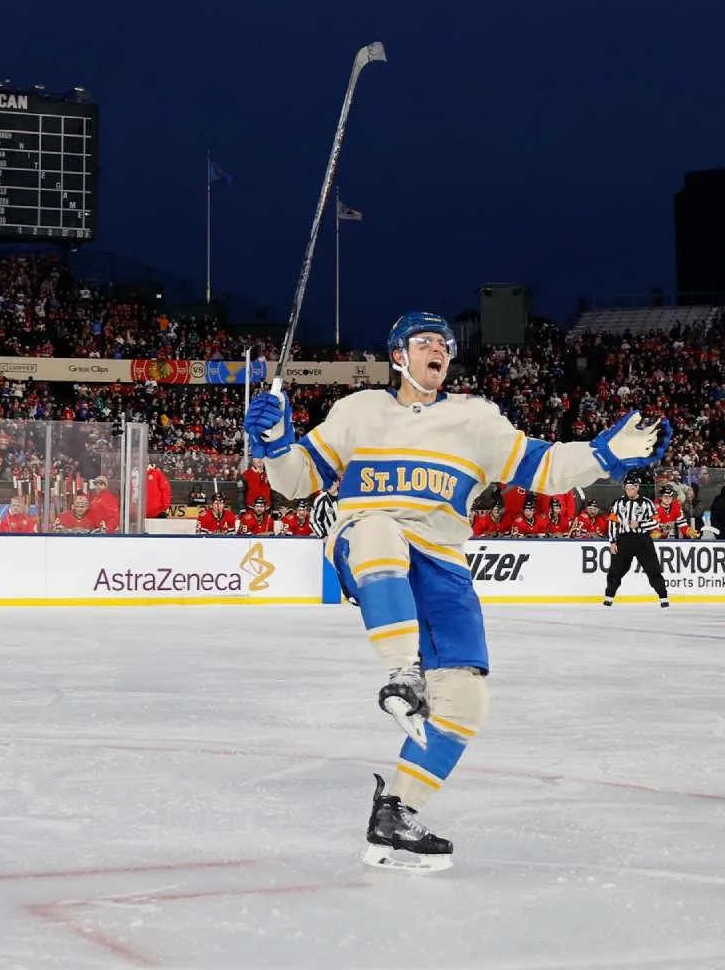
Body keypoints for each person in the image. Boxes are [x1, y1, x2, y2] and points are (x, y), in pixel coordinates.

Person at [244, 310, 670, 873]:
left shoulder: (476, 419)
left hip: (442, 562)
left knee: (466, 701)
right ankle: (402, 672)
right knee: (377, 531)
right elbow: (295, 481)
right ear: (398, 355)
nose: (437, 350)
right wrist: (274, 442)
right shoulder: (358, 412)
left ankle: (396, 814)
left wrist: (602, 455)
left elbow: (541, 466)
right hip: (370, 541)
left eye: (443, 344)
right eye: (424, 343)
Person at [604, 472, 668, 608]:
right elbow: (612, 522)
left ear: (637, 488)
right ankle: (609, 596)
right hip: (623, 540)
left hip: (642, 540)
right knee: (616, 570)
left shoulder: (646, 503)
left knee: (653, 568)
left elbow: (656, 522)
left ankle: (663, 596)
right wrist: (612, 541)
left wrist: (640, 524)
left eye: (632, 488)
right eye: (627, 488)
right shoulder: (618, 503)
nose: (629, 491)